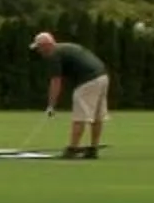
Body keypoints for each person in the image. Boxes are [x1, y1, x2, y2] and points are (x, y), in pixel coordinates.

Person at [32, 31, 108, 159]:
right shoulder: (65, 48)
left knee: (80, 116)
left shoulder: (54, 54)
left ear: (46, 45)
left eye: (39, 47)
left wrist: (51, 105)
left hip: (88, 80)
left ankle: (72, 149)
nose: (39, 51)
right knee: (96, 116)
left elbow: (56, 81)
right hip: (102, 76)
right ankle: (93, 149)